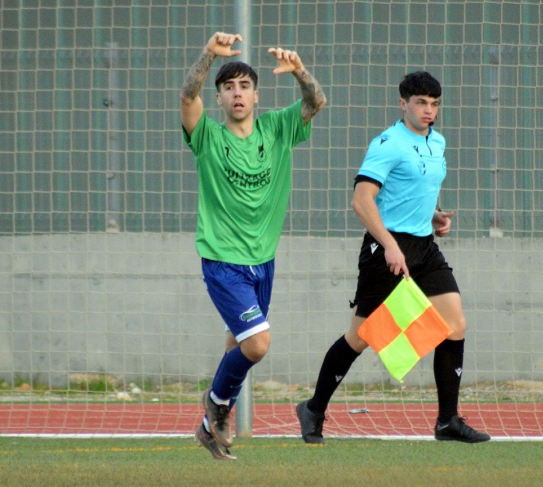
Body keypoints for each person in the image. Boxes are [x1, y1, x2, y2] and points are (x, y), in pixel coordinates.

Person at [296, 71, 490, 444]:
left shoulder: (438, 142)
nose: (428, 110)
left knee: (456, 324)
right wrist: (389, 244)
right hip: (384, 249)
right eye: (420, 103)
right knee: (360, 338)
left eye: (434, 104)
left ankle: (447, 421)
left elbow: (414, 188)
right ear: (403, 104)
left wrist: (432, 216)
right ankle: (314, 408)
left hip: (423, 247)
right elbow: (361, 200)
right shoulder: (387, 143)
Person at [180, 32, 326, 460]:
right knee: (258, 342)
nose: (237, 93)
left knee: (237, 343)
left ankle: (209, 430)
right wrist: (208, 54)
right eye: (228, 88)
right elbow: (188, 96)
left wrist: (299, 71)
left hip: (263, 261)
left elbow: (316, 103)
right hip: (223, 260)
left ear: (257, 96)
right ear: (220, 99)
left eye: (244, 86)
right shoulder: (207, 136)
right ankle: (218, 405)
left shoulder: (277, 128)